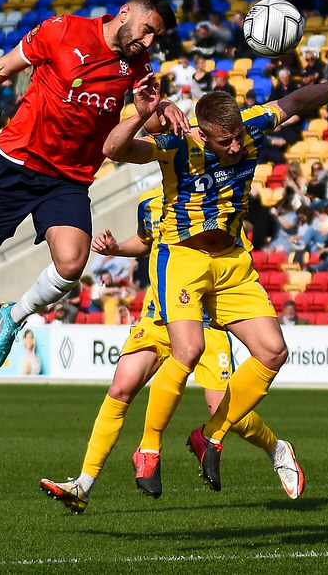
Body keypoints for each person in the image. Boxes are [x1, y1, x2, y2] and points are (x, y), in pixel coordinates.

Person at [102, 50, 328, 496]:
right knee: (189, 347)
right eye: (225, 142)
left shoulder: (251, 127)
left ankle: (210, 435)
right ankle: (149, 447)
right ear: (203, 133)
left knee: (274, 351)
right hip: (184, 258)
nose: (236, 147)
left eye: (238, 136)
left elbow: (295, 101)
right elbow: (113, 149)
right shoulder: (180, 144)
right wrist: (146, 113)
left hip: (233, 261)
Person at [0, 0, 180, 371]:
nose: (147, 42)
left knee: (71, 263)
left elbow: (147, 112)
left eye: (155, 37)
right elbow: (0, 70)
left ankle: (13, 316)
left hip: (68, 178)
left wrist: (163, 105)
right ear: (125, 12)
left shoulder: (138, 63)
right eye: (146, 29)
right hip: (16, 163)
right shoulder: (62, 30)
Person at [40, 188, 304, 512]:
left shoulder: (218, 199)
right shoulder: (149, 202)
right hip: (159, 315)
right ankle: (83, 485)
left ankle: (276, 449)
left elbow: (231, 249)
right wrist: (116, 249)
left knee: (223, 411)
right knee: (121, 387)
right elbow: (146, 239)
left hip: (206, 322)